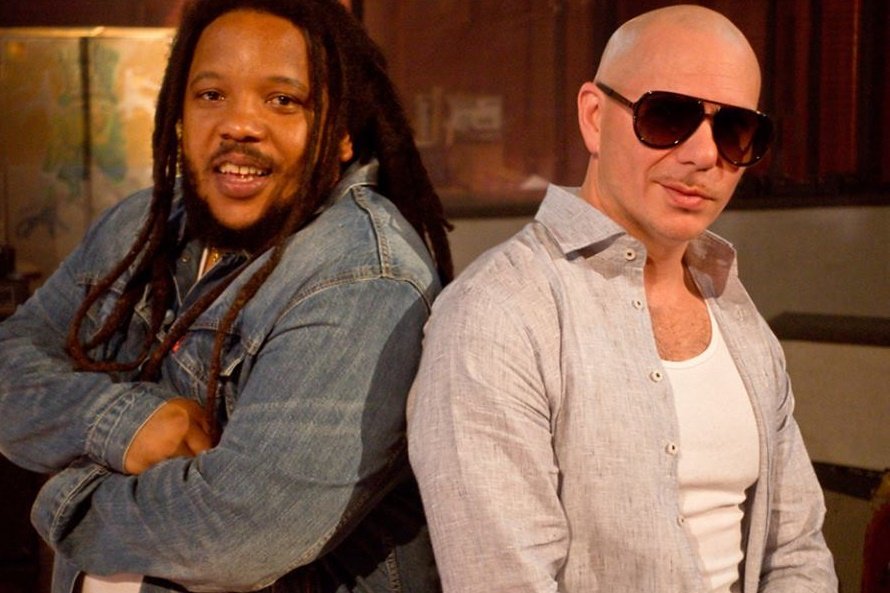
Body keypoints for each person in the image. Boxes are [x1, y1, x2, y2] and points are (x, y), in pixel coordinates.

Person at [0, 0, 452, 592]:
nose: (239, 124)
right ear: (179, 112)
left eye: (283, 99)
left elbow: (238, 532)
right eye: (212, 94)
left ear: (342, 133)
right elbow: (10, 358)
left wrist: (65, 497)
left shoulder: (362, 276)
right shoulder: (139, 226)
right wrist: (122, 425)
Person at [407, 5, 838, 593]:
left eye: (735, 130)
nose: (704, 155)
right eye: (668, 117)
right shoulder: (498, 315)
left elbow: (796, 550)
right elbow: (504, 581)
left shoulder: (736, 312)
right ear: (593, 117)